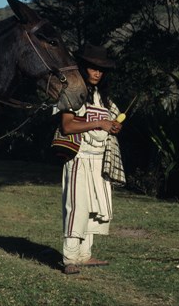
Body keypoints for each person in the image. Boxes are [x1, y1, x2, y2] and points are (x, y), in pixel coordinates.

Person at [59, 44, 123, 275]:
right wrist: (99, 123)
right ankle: (69, 257)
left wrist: (113, 126)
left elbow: (109, 122)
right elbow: (67, 126)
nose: (97, 73)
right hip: (79, 157)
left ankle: (85, 255)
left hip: (99, 159)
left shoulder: (104, 98)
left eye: (101, 69)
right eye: (93, 68)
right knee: (77, 206)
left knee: (95, 207)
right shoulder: (73, 92)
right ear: (83, 67)